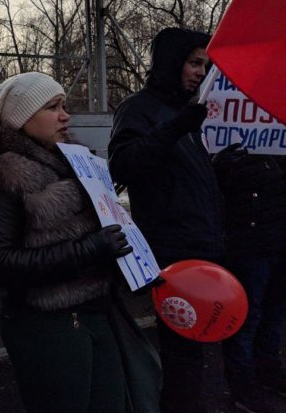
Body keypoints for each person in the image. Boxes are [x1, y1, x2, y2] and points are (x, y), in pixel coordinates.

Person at [0, 72, 160, 412]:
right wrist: (89, 249)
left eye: (64, 105)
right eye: (53, 107)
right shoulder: (1, 176)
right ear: (20, 119)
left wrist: (134, 264)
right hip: (48, 327)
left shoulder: (78, 163)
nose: (65, 115)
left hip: (99, 313)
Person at [108, 27, 224, 412]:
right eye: (194, 63)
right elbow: (124, 164)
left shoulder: (181, 111)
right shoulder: (139, 109)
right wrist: (175, 128)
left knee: (194, 353)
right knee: (181, 356)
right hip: (173, 256)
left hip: (201, 250)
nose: (199, 72)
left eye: (205, 66)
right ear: (172, 62)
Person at [213, 145, 286, 412]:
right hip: (250, 246)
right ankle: (243, 386)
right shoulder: (233, 151)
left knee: (272, 316)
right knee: (247, 318)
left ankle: (268, 371)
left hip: (278, 241)